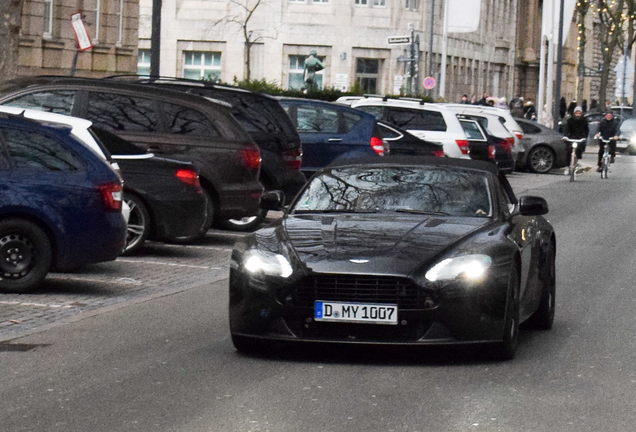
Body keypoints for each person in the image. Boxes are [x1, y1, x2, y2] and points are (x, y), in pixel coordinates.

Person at [562, 106, 589, 175]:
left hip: (580, 137)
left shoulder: (584, 121)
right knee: (568, 151)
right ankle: (568, 167)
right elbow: (566, 129)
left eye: (579, 113)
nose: (578, 115)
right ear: (574, 113)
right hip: (571, 137)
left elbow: (586, 130)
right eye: (576, 113)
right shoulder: (570, 120)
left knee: (580, 149)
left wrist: (585, 137)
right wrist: (565, 136)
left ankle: (577, 160)